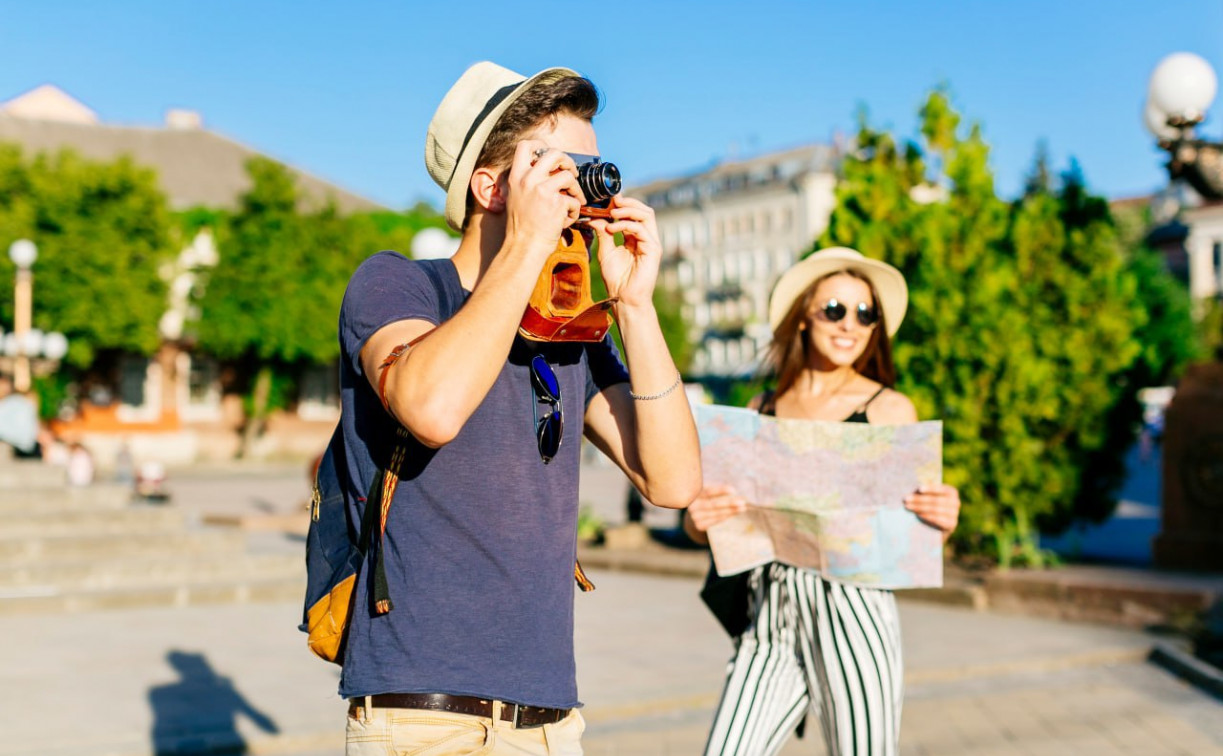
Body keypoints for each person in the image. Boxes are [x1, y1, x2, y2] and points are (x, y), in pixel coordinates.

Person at [336, 61, 701, 755]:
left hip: (547, 723)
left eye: (586, 171)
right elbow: (432, 408)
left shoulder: (570, 333)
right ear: (489, 185)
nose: (577, 190)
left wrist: (633, 306)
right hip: (423, 719)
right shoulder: (399, 286)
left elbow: (675, 483)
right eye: (555, 168)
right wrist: (530, 241)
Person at [683, 247, 961, 756]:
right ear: (804, 320)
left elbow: (914, 530)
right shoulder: (760, 409)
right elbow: (717, 525)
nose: (850, 324)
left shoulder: (889, 409)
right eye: (834, 309)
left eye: (865, 313)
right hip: (770, 616)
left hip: (854, 613)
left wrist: (943, 519)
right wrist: (698, 522)